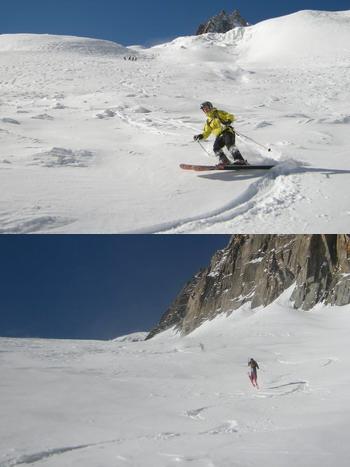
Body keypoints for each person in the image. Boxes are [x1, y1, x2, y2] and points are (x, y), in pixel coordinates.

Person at [193, 101, 247, 166]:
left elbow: (230, 116)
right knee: (216, 148)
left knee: (229, 144)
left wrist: (228, 121)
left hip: (227, 132)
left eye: (206, 108)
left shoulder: (218, 113)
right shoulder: (208, 121)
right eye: (204, 109)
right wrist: (201, 136)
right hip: (219, 136)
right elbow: (207, 132)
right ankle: (224, 160)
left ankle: (239, 160)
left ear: (210, 107)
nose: (205, 110)